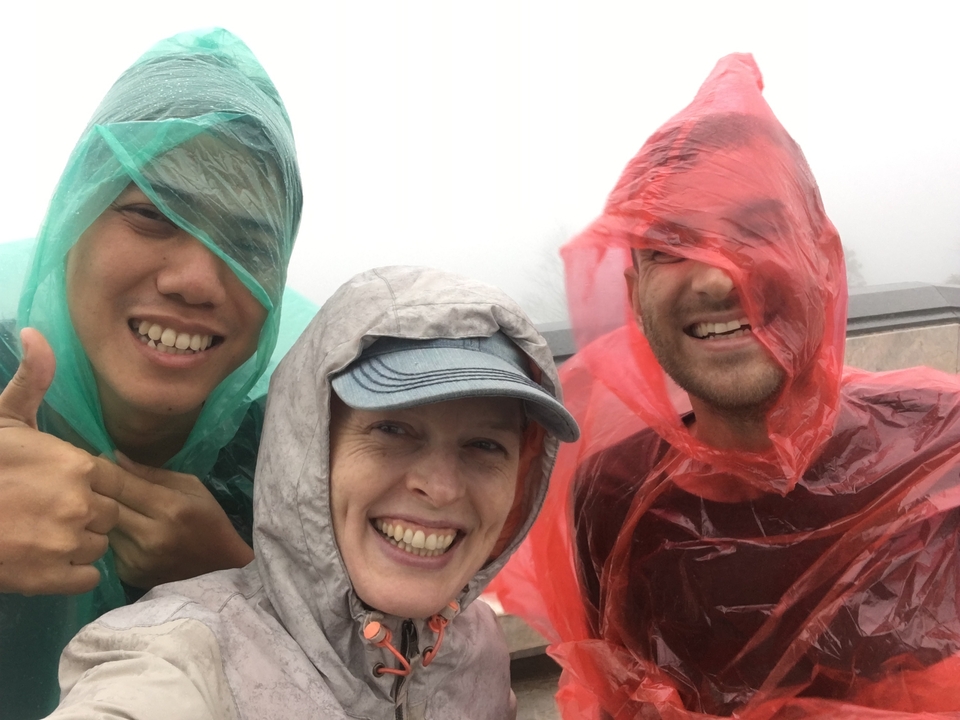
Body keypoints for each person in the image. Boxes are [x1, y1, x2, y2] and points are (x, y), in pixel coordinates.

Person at [491, 54, 960, 718]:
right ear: (634, 293)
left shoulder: (941, 449)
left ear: (822, 261)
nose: (714, 279)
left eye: (754, 232)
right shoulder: (613, 500)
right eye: (670, 248)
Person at [47, 265, 579, 719]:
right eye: (392, 429)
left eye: (484, 445)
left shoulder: (478, 646)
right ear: (305, 448)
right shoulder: (184, 655)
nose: (440, 488)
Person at [0, 28, 305, 718]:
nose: (197, 280)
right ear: (71, 223)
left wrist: (236, 584)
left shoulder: (296, 472)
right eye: (151, 214)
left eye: (248, 244)